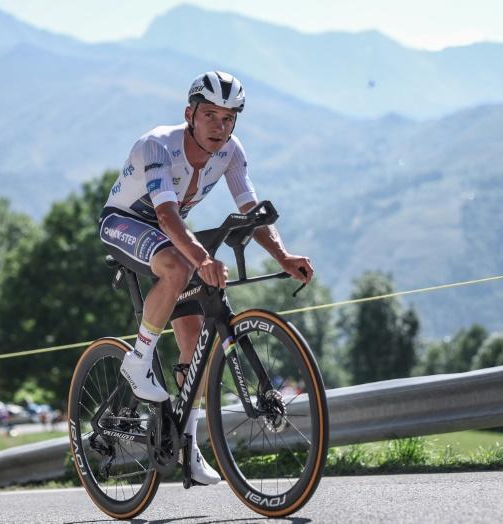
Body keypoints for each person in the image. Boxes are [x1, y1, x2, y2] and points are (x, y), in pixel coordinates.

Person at [98, 71, 314, 485]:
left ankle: (188, 447)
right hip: (124, 222)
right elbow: (165, 216)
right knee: (180, 268)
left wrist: (283, 256)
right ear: (189, 114)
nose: (220, 126)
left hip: (171, 231)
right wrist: (201, 259)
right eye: (210, 115)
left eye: (229, 117)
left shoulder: (231, 152)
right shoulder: (157, 145)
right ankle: (138, 361)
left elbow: (251, 211)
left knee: (195, 339)